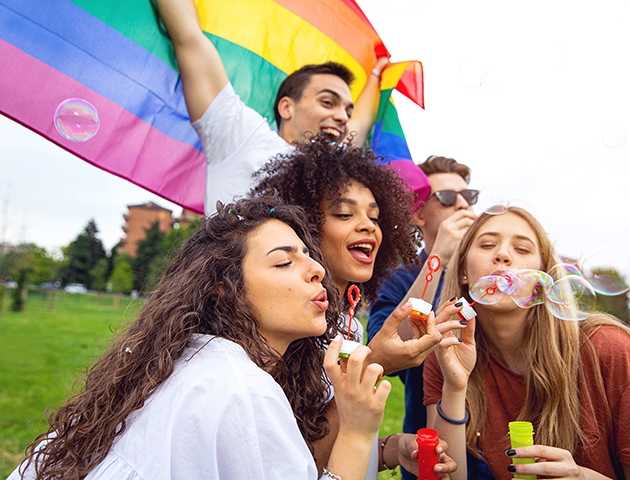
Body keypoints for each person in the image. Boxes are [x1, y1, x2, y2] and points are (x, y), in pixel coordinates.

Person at [8, 198, 392, 480]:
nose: (316, 271)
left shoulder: (181, 363)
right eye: (283, 261)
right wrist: (357, 430)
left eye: (309, 256)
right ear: (226, 291)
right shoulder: (241, 388)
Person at [251, 137, 462, 477]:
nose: (367, 226)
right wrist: (374, 361)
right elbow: (297, 461)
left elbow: (345, 445)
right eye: (344, 213)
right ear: (303, 225)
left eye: (375, 217)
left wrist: (391, 449)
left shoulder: (349, 326)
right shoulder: (279, 332)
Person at [424, 206, 630, 479]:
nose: (502, 254)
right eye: (488, 244)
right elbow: (444, 475)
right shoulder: (447, 353)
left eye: (523, 249)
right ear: (464, 272)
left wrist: (582, 477)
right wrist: (455, 387)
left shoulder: (608, 348)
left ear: (542, 279)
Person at [157, 0, 388, 214]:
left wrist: (377, 75)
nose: (342, 118)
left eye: (348, 111)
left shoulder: (334, 167)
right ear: (286, 108)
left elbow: (361, 122)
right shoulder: (241, 135)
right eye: (328, 102)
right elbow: (190, 41)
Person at [366, 156, 478, 480]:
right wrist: (437, 260)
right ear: (418, 214)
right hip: (432, 461)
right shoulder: (399, 280)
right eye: (445, 197)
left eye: (468, 197)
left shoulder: (492, 275)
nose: (461, 204)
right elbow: (394, 346)